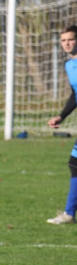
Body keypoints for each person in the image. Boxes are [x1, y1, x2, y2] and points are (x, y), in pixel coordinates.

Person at [46, 25, 77, 224]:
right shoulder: (69, 65)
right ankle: (69, 213)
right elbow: (76, 95)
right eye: (63, 40)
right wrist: (61, 116)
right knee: (75, 164)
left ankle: (68, 214)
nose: (66, 43)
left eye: (70, 39)